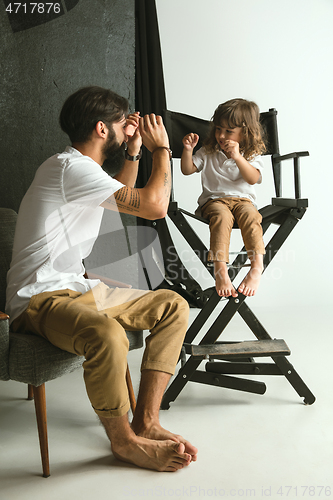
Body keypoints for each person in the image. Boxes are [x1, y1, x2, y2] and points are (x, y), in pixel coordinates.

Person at [6, 86, 198, 472]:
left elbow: (122, 193)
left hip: (77, 288)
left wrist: (133, 150)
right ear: (100, 128)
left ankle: (147, 421)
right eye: (120, 125)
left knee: (172, 305)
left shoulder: (84, 170)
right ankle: (124, 441)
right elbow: (153, 207)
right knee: (107, 335)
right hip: (38, 299)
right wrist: (163, 149)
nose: (128, 129)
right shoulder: (69, 168)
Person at [181, 98, 266, 298]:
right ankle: (221, 271)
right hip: (214, 202)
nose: (221, 135)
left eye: (229, 131)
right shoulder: (208, 150)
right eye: (218, 129)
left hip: (244, 201)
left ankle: (256, 268)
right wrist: (187, 150)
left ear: (245, 132)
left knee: (252, 217)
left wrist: (238, 157)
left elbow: (253, 178)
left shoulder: (251, 153)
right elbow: (187, 170)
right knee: (222, 217)